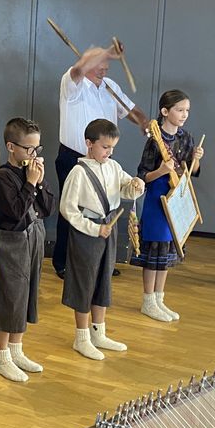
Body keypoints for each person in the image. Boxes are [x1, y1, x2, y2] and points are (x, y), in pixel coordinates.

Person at [54, 44, 148, 279]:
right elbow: (78, 70)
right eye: (99, 65)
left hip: (103, 159)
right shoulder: (72, 84)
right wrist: (104, 53)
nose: (103, 70)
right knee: (73, 210)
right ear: (87, 63)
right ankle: (64, 262)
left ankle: (101, 259)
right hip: (74, 158)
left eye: (106, 66)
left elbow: (129, 109)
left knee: (104, 208)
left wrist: (144, 122)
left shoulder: (110, 86)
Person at [60, 119, 145, 360]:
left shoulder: (114, 167)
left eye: (112, 148)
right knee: (84, 282)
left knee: (103, 279)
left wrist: (136, 185)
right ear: (89, 143)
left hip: (109, 228)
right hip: (87, 233)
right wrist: (93, 229)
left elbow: (126, 189)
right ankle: (82, 338)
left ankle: (99, 333)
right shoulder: (78, 172)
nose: (109, 152)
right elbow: (68, 209)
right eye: (105, 147)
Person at [0, 118, 55, 382]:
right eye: (29, 149)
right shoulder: (3, 176)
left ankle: (16, 350)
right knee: (10, 296)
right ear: (11, 147)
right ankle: (1, 356)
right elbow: (15, 212)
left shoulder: (33, 173)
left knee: (26, 293)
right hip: (12, 240)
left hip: (35, 235)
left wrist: (39, 182)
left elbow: (47, 208)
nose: (34, 154)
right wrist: (30, 183)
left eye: (37, 148)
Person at [131, 90, 203, 322]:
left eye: (187, 110)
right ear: (165, 111)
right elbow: (142, 175)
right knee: (155, 249)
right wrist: (161, 171)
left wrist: (197, 159)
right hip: (157, 198)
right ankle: (148, 301)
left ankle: (159, 299)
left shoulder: (186, 137)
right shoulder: (154, 139)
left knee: (168, 250)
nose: (184, 114)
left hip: (176, 198)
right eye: (180, 110)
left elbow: (191, 171)